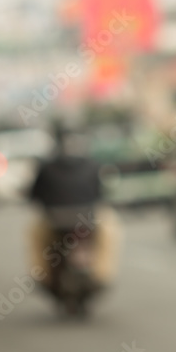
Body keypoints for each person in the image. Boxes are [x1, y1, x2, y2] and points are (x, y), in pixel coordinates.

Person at [28, 125, 120, 297]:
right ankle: (102, 274)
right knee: (110, 227)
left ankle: (42, 275)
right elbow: (101, 194)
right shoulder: (93, 165)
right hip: (88, 219)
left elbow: (33, 195)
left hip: (54, 220)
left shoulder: (46, 166)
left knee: (34, 233)